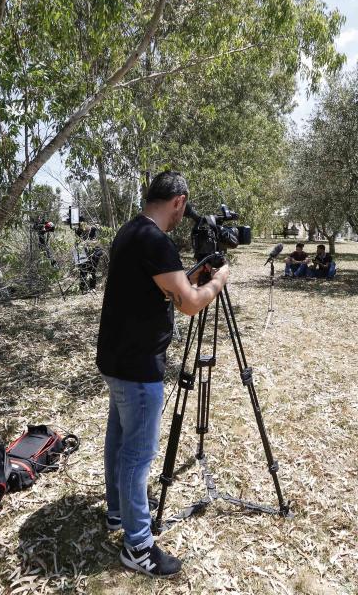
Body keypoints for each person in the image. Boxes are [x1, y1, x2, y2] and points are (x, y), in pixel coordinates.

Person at [96, 171, 229, 578]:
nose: (182, 218)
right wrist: (218, 282)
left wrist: (192, 279)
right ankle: (137, 547)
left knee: (119, 441)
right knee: (138, 457)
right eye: (183, 209)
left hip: (116, 359)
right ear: (178, 201)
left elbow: (162, 286)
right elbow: (189, 305)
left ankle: (117, 514)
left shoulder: (131, 231)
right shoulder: (156, 240)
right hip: (138, 366)